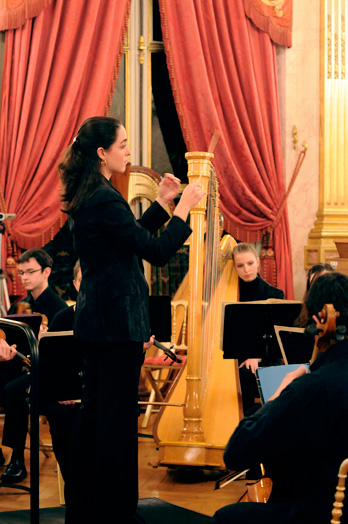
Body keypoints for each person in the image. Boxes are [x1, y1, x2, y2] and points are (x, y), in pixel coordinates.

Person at [58, 116, 205, 524]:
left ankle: (88, 507)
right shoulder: (105, 197)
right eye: (122, 144)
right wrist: (186, 210)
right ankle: (118, 511)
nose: (128, 151)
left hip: (98, 320)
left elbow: (128, 240)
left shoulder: (92, 193)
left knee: (96, 417)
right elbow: (154, 253)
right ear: (102, 153)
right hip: (117, 323)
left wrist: (160, 204)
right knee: (116, 422)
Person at [212, 271, 348, 524]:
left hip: (317, 514)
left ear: (318, 320)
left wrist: (280, 391)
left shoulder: (306, 389)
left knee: (225, 518)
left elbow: (236, 452)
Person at [0, 248, 68, 483]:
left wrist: (45, 340)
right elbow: (8, 341)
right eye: (21, 273)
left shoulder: (59, 308)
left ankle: (17, 459)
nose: (25, 277)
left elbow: (64, 352)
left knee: (13, 391)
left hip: (46, 371)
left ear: (46, 272)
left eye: (30, 272)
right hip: (18, 367)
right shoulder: (18, 307)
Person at [232, 242, 284, 414]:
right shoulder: (230, 296)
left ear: (258, 262)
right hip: (237, 357)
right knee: (233, 375)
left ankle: (248, 424)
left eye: (250, 263)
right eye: (240, 265)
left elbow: (276, 337)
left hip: (267, 356)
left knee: (244, 375)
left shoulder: (274, 295)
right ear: (234, 268)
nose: (246, 269)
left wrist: (257, 355)